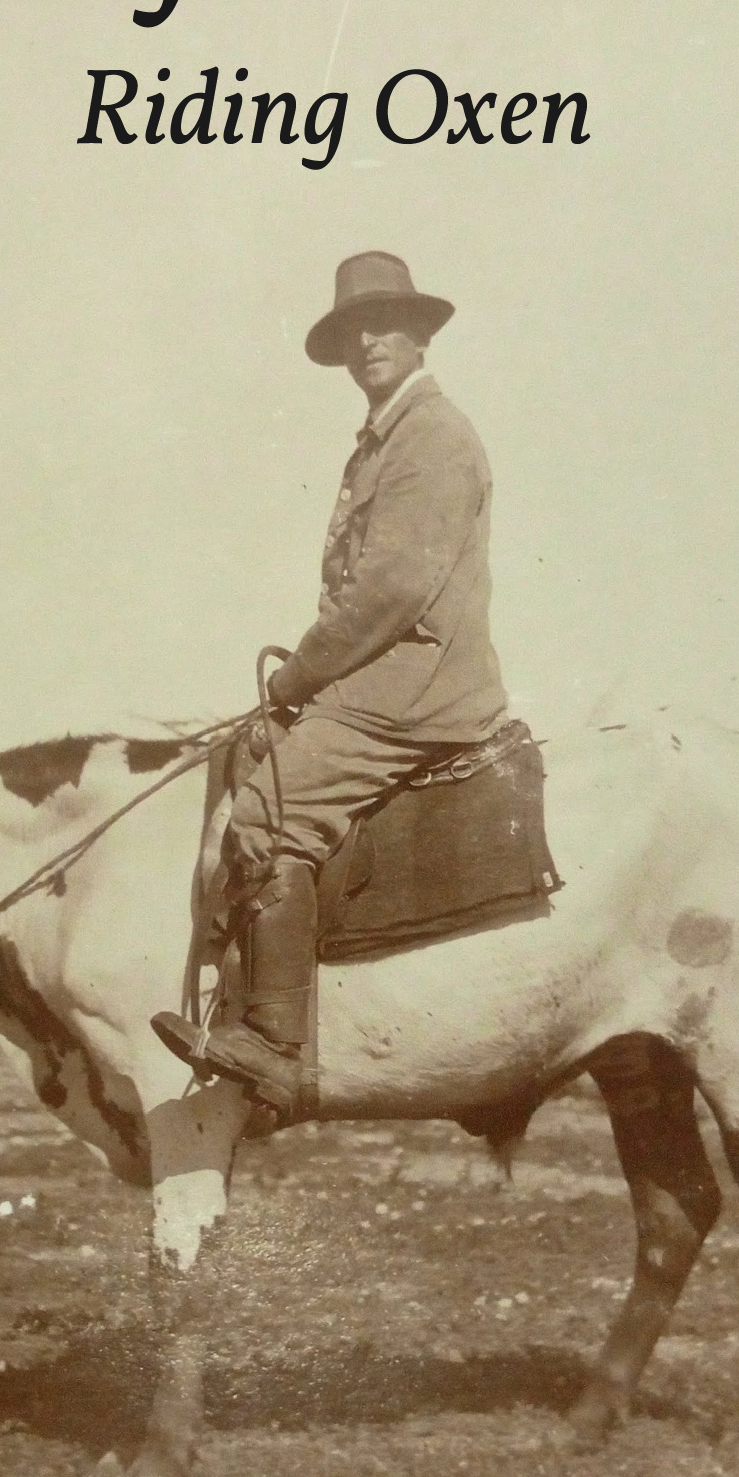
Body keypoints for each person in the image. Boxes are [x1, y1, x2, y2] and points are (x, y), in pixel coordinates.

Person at [152, 252, 510, 1115]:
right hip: (390, 671)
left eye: (385, 322)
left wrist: (300, 678)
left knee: (270, 809)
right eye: (353, 329)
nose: (368, 341)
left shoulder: (431, 436)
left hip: (417, 685)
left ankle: (276, 1047)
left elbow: (389, 591)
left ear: (421, 333)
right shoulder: (385, 438)